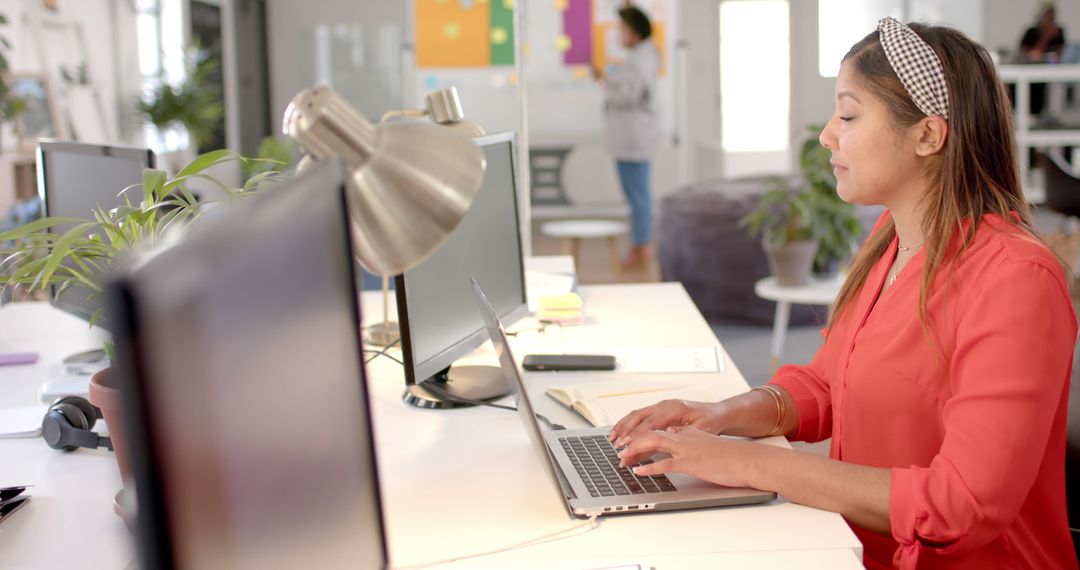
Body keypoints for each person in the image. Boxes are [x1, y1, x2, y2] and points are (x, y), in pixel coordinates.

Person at [609, 18, 1077, 569]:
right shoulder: (891, 237)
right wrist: (718, 414)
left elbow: (960, 505)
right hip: (851, 547)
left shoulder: (1014, 279)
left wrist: (743, 464)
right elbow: (830, 383)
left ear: (928, 135)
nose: (829, 134)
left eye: (849, 114)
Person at [594, 5, 660, 270]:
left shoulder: (640, 58)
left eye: (622, 29)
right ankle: (640, 244)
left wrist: (604, 84)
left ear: (633, 32)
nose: (619, 34)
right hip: (631, 138)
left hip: (633, 138)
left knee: (638, 197)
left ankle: (641, 246)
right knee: (637, 195)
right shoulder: (640, 56)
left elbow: (628, 96)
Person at [1018, 5, 1067, 118]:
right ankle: (1032, 115)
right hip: (1030, 70)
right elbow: (1030, 54)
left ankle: (1053, 117)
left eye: (1052, 18)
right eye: (1047, 17)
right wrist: (1046, 37)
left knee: (1056, 85)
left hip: (1051, 71)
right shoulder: (1031, 32)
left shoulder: (1058, 32)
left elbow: (1059, 55)